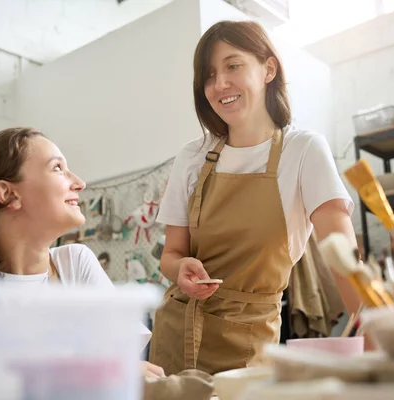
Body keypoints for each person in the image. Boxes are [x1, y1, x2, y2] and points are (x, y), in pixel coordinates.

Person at [148, 20, 363, 375]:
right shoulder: (192, 156)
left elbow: (346, 262)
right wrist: (179, 269)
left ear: (268, 68)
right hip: (175, 334)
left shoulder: (303, 149)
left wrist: (376, 340)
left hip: (250, 346)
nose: (219, 85)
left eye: (233, 66)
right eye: (209, 75)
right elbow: (172, 254)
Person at [0, 127, 165, 379]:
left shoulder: (76, 262)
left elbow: (122, 355)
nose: (79, 183)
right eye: (57, 168)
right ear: (7, 194)